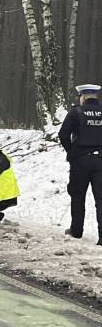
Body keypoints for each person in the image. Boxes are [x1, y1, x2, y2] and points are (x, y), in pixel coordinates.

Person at [59, 83, 102, 243]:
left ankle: (76, 231)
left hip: (80, 161)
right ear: (95, 96)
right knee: (101, 199)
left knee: (77, 196)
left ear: (82, 97)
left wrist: (72, 151)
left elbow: (63, 134)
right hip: (100, 161)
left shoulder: (76, 112)